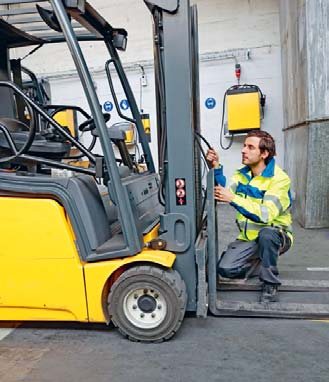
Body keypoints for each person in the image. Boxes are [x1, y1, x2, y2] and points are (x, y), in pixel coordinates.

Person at [206, 130, 293, 303]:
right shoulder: (242, 174)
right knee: (225, 269)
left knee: (267, 234)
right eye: (244, 146)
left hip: (276, 235)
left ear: (264, 153)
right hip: (248, 238)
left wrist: (233, 198)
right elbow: (226, 191)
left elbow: (266, 215)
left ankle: (270, 283)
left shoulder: (279, 180)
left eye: (250, 147)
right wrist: (216, 166)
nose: (243, 150)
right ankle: (260, 262)